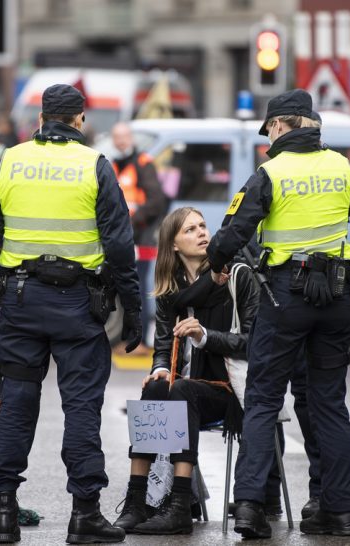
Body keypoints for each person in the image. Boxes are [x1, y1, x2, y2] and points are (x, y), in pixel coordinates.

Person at [207, 89, 350, 539]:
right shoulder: (341, 167)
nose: (268, 136)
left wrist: (219, 268)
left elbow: (229, 235)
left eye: (270, 128)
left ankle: (251, 510)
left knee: (262, 401)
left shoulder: (269, 173)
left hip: (285, 299)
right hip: (336, 300)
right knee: (329, 405)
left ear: (281, 125)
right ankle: (339, 513)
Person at [0, 84, 142, 544]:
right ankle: (85, 513)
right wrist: (135, 310)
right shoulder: (95, 165)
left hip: (20, 303)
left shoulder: (8, 161)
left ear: (41, 118)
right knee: (82, 407)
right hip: (77, 306)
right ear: (80, 119)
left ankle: (4, 513)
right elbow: (121, 246)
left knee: (16, 408)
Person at [112, 207, 257, 535]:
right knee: (154, 388)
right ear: (174, 244)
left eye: (203, 226)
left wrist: (205, 337)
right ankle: (138, 501)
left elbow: (254, 343)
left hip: (229, 388)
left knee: (182, 390)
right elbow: (162, 350)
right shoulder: (169, 293)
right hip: (186, 392)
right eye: (190, 230)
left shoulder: (235, 276)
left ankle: (179, 506)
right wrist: (161, 368)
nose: (202, 233)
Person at [110, 122, 169, 353]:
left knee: (138, 289)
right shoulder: (113, 165)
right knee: (122, 288)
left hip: (140, 239)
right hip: (121, 237)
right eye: (118, 137)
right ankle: (129, 339)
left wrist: (131, 221)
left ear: (131, 138)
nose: (121, 141)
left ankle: (142, 341)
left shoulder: (143, 164)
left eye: (125, 136)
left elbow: (156, 201)